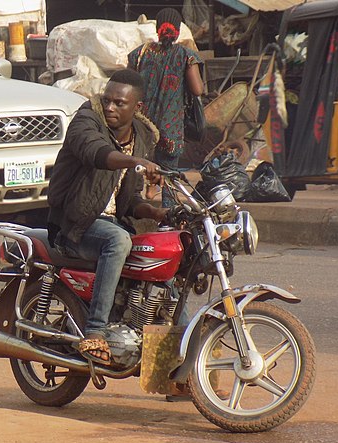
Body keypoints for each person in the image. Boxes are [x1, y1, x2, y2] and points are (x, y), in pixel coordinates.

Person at [46, 69, 166, 364]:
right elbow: (96, 153)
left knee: (167, 255)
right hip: (75, 224)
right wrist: (135, 161)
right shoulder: (87, 120)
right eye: (108, 100)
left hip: (112, 222)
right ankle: (95, 332)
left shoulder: (142, 137)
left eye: (119, 103)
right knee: (118, 240)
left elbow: (131, 200)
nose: (110, 107)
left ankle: (174, 358)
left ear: (137, 108)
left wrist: (156, 212)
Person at [128, 8, 204, 207]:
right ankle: (168, 218)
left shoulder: (140, 53)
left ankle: (138, 206)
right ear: (178, 30)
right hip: (170, 128)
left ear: (157, 28)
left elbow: (128, 85)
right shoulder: (186, 55)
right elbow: (197, 90)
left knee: (137, 169)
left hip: (141, 125)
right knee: (169, 175)